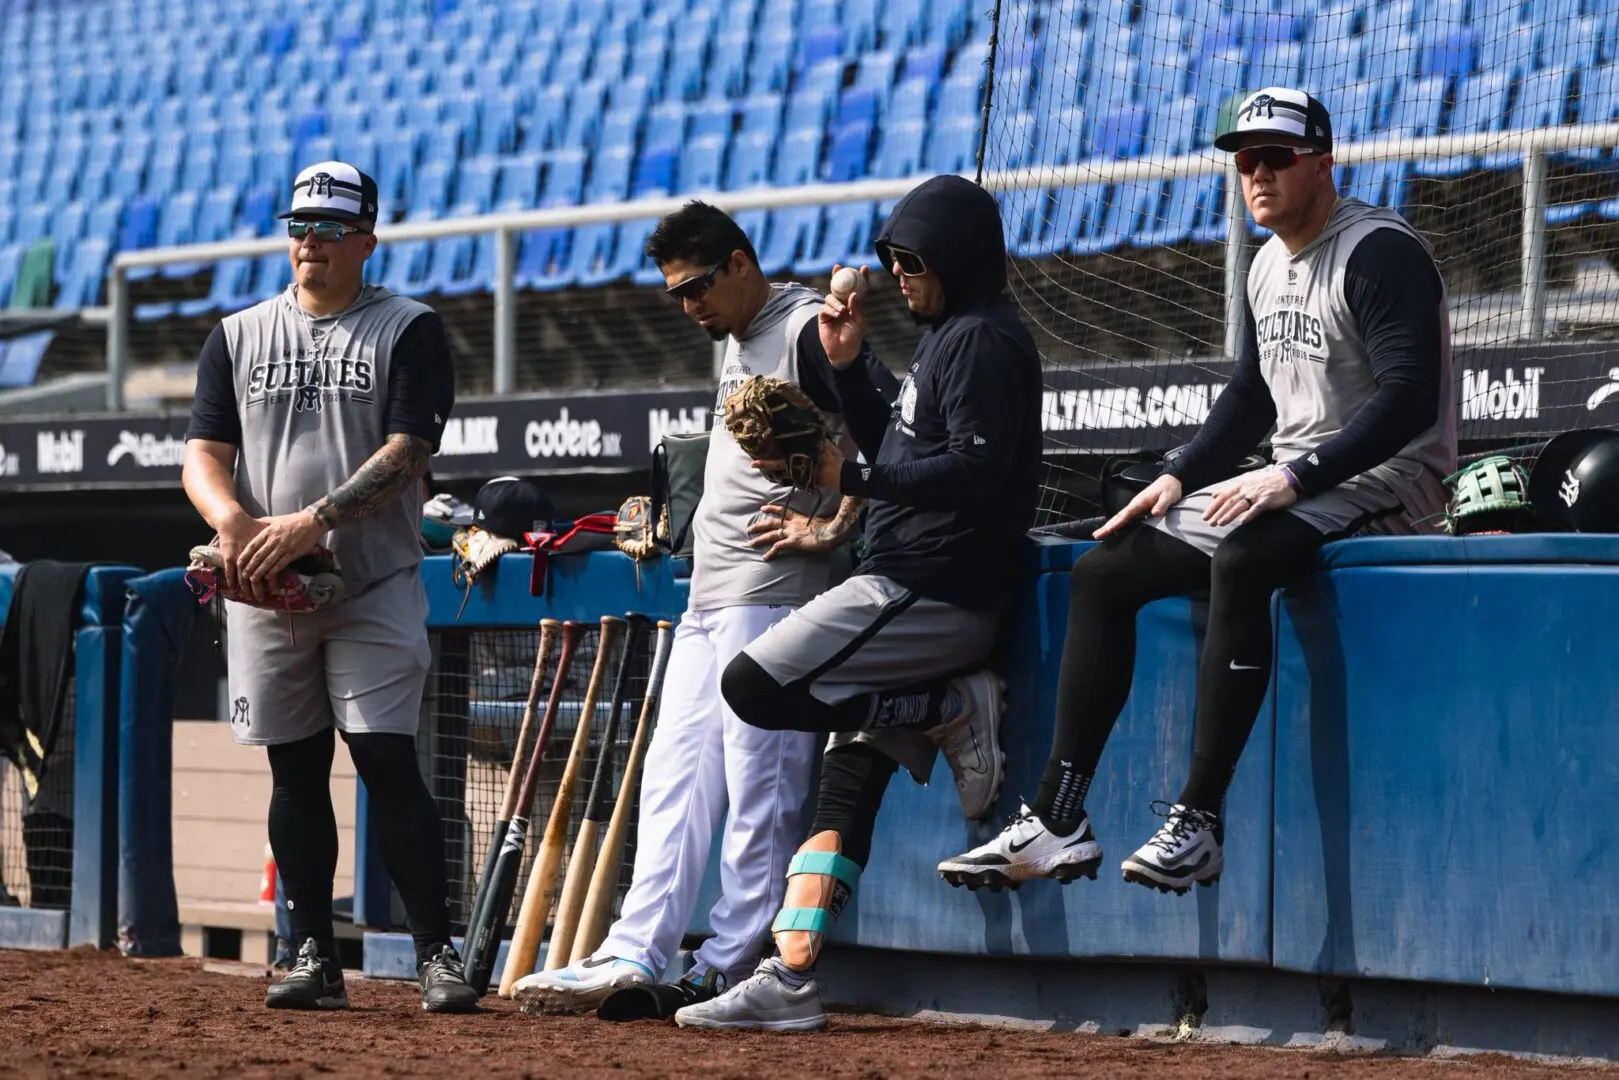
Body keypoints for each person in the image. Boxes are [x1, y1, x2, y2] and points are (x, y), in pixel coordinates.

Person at [938, 86, 1457, 895]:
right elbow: (1250, 396)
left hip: (1394, 482)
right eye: (1244, 160)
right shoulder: (1263, 262)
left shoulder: (1378, 252)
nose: (1257, 174)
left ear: (1323, 161)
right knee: (1101, 570)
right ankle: (1057, 818)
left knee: (1246, 556)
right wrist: (1179, 474)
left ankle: (1198, 821)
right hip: (1301, 478)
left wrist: (1291, 476)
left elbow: (1409, 399)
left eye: (1275, 158)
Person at [671, 173, 1044, 1032]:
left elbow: (975, 475)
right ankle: (792, 975)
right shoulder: (949, 335)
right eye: (891, 261)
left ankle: (949, 705)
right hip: (903, 584)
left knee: (751, 687)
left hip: (929, 587)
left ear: (954, 258)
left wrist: (852, 478)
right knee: (843, 785)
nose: (899, 276)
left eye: (911, 262)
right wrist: (849, 369)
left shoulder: (985, 340)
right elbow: (898, 443)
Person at [511, 201, 881, 1019]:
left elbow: (876, 443)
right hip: (710, 591)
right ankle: (631, 952)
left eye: (698, 287)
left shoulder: (803, 331)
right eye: (675, 294)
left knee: (761, 790)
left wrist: (826, 526)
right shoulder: (741, 337)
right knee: (672, 782)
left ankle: (735, 964)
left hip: (776, 595)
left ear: (740, 263)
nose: (689, 306)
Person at [182, 160, 477, 1013]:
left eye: (329, 228)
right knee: (294, 771)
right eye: (299, 226)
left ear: (366, 239)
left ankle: (436, 952)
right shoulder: (237, 334)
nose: (309, 242)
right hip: (265, 585)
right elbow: (203, 451)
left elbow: (409, 449)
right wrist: (233, 524)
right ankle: (309, 950)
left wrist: (312, 522)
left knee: (385, 757)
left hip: (371, 577)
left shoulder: (408, 328)